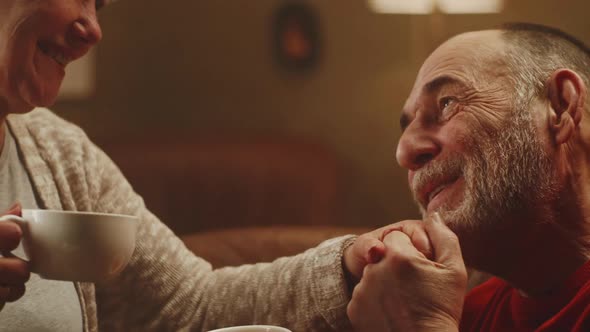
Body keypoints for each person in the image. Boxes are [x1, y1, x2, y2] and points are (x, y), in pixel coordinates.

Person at [0, 1, 428, 331]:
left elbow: (188, 306)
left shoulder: (59, 152)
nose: (93, 29)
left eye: (100, 5)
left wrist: (349, 267)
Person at [347, 22, 590, 331]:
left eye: (447, 103)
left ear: (560, 106)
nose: (404, 152)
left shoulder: (429, 317)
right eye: (407, 127)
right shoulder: (463, 311)